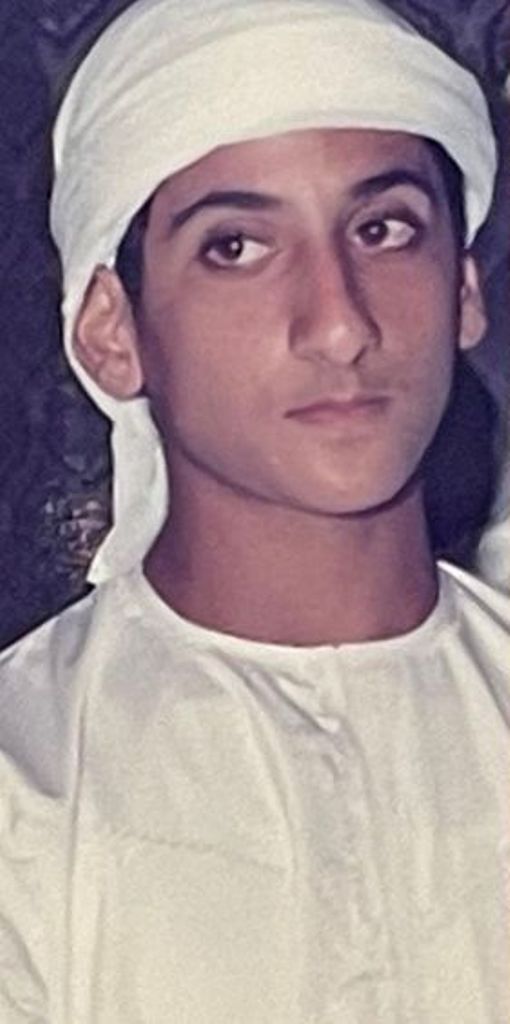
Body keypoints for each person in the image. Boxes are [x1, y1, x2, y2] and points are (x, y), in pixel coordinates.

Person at [0, 0, 509, 1021]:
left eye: (382, 228)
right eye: (236, 246)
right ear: (111, 330)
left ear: (461, 289)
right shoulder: (27, 785)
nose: (338, 322)